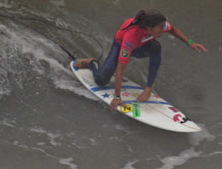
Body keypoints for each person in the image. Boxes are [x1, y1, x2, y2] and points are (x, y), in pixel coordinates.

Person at [73, 9, 208, 109]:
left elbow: (173, 30)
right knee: (101, 80)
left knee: (156, 47)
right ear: (149, 28)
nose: (164, 29)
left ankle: (148, 88)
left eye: (163, 25)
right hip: (121, 45)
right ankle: (92, 63)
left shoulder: (158, 25)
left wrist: (190, 42)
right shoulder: (130, 38)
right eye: (161, 27)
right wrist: (117, 97)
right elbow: (120, 69)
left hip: (142, 45)